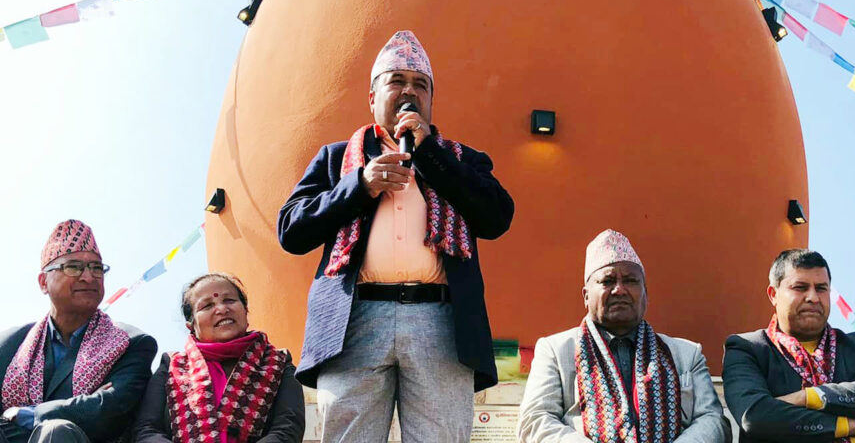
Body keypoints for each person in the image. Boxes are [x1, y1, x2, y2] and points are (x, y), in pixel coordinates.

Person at [278, 30, 515, 443]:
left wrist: (432, 156)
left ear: (430, 101)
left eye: (420, 85)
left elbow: (497, 218)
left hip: (440, 321)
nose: (409, 91)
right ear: (373, 98)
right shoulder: (337, 159)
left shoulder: (460, 160)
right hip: (353, 320)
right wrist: (359, 185)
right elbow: (291, 230)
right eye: (397, 81)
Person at [517, 229, 731, 443]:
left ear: (646, 294)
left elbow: (712, 419)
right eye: (607, 281)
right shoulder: (555, 351)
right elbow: (535, 421)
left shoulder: (686, 355)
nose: (619, 290)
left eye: (630, 280)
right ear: (586, 296)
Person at [723, 249, 855, 443]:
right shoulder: (747, 348)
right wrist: (844, 425)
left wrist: (811, 396)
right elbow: (755, 416)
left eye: (821, 288)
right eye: (800, 287)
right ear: (773, 295)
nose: (813, 297)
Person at [0, 220, 157, 443]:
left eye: (96, 268)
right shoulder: (11, 346)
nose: (89, 277)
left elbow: (106, 412)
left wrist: (28, 414)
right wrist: (83, 405)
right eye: (73, 267)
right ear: (43, 282)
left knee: (55, 430)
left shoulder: (130, 342)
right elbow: (91, 408)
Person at [133, 273, 304, 443]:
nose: (222, 309)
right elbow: (147, 430)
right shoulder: (171, 366)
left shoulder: (279, 362)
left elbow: (288, 427)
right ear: (191, 325)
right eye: (207, 306)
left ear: (245, 311)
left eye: (229, 300)